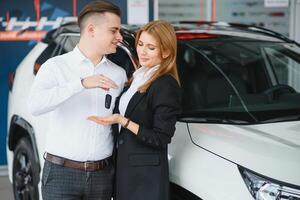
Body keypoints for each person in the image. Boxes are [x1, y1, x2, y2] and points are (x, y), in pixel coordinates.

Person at [27, 1, 127, 200]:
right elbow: (35, 106)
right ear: (91, 29)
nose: (119, 37)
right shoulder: (55, 66)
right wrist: (81, 84)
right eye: (114, 30)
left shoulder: (119, 74)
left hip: (102, 176)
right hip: (61, 174)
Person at [88, 20, 181, 200]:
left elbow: (161, 138)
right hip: (127, 172)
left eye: (151, 48)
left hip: (145, 180)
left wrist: (123, 121)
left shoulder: (165, 84)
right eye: (140, 44)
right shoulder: (138, 77)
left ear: (166, 51)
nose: (142, 51)